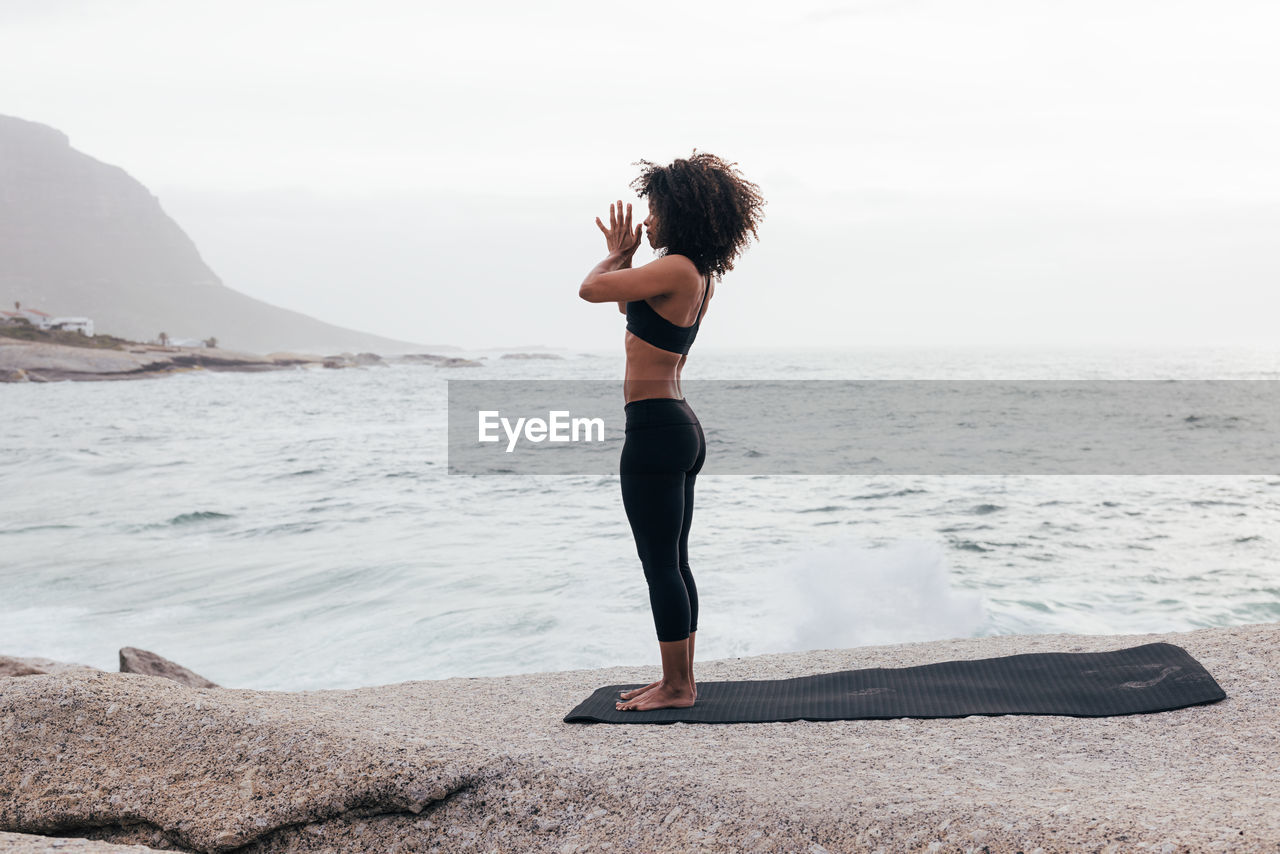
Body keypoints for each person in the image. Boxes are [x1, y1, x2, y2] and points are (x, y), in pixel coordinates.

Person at [578, 151, 764, 711]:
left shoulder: (679, 267)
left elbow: (591, 290)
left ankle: (677, 686)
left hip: (657, 428)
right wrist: (627, 263)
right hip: (675, 425)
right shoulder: (692, 274)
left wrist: (613, 256)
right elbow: (622, 305)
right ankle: (679, 678)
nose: (647, 219)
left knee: (660, 562)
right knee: (673, 559)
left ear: (679, 212)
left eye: (655, 208)